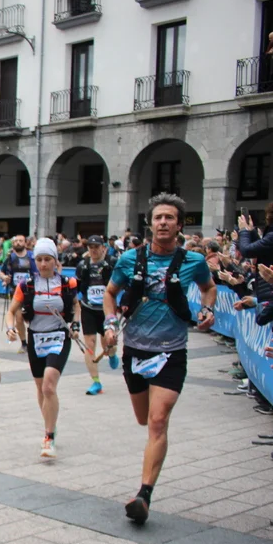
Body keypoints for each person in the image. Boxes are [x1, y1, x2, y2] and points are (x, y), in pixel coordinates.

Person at [104, 193, 216, 524]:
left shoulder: (194, 261)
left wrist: (207, 310)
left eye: (169, 218)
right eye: (158, 218)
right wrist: (110, 325)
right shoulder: (129, 259)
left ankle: (144, 495)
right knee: (143, 418)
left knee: (157, 420)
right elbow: (110, 293)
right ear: (150, 224)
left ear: (180, 225)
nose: (163, 222)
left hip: (171, 351)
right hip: (135, 350)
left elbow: (209, 288)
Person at [5, 238, 80, 459]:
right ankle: (50, 423)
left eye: (48, 259)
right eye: (39, 259)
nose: (43, 264)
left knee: (48, 386)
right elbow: (11, 312)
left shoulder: (68, 283)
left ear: (56, 261)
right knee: (41, 388)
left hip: (59, 337)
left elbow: (76, 305)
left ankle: (48, 437)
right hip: (36, 338)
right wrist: (10, 328)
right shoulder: (26, 285)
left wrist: (76, 325)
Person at [74, 235, 119, 395]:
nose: (93, 250)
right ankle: (96, 382)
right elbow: (77, 287)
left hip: (107, 310)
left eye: (96, 247)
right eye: (90, 247)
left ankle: (112, 353)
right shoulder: (83, 265)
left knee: (108, 342)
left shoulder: (112, 263)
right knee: (90, 344)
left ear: (103, 248)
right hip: (88, 308)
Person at [0, 235, 36, 353]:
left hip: (31, 292)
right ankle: (24, 343)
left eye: (21, 241)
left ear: (25, 243)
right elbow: (1, 272)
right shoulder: (10, 258)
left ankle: (34, 340)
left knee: (32, 318)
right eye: (16, 241)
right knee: (19, 318)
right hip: (16, 292)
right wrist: (4, 277)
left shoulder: (32, 256)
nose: (18, 243)